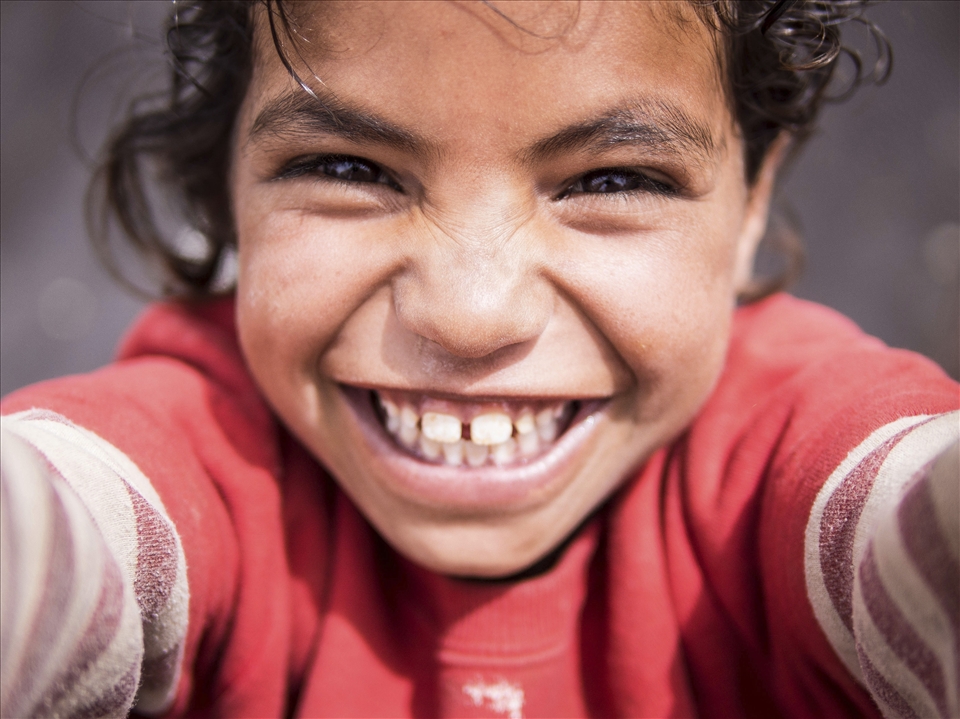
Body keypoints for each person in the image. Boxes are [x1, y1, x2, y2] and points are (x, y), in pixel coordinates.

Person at [1, 1, 957, 717]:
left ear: (751, 201)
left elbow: (909, 528)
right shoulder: (210, 435)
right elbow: (71, 530)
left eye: (613, 179)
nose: (469, 314)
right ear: (227, 192)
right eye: (347, 169)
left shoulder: (787, 445)